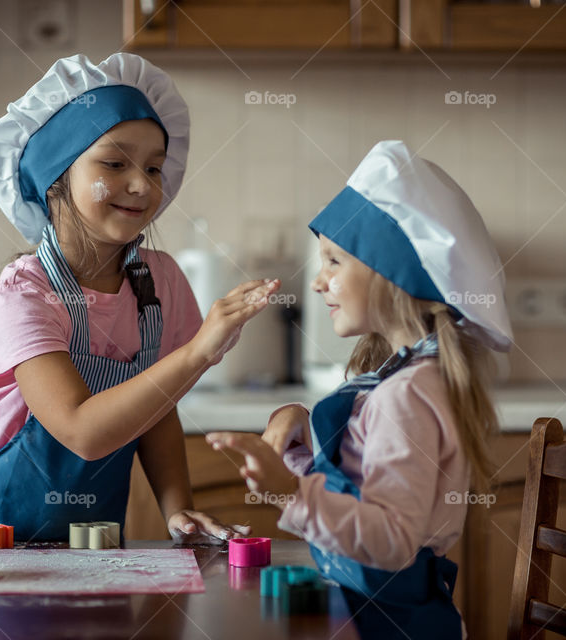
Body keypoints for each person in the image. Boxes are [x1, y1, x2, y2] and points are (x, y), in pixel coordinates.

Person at [0, 53, 278, 543]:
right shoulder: (27, 293)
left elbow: (156, 406)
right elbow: (82, 431)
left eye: (154, 168)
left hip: (89, 546)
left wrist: (179, 510)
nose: (142, 184)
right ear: (56, 175)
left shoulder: (160, 282)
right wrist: (198, 352)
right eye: (114, 162)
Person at [207, 141, 513, 638]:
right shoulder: (403, 380)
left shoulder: (406, 396)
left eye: (334, 261)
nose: (317, 282)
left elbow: (390, 539)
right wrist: (302, 452)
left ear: (390, 273)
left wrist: (290, 493)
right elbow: (357, 498)